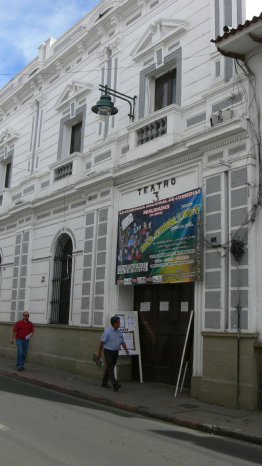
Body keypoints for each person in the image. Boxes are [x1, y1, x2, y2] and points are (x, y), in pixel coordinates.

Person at [97, 315, 129, 391]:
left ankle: (104, 383)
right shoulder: (107, 332)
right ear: (114, 323)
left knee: (109, 367)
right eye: (118, 322)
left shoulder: (119, 332)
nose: (119, 323)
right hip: (108, 352)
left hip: (115, 352)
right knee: (110, 367)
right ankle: (115, 384)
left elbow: (122, 342)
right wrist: (99, 353)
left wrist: (126, 349)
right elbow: (101, 343)